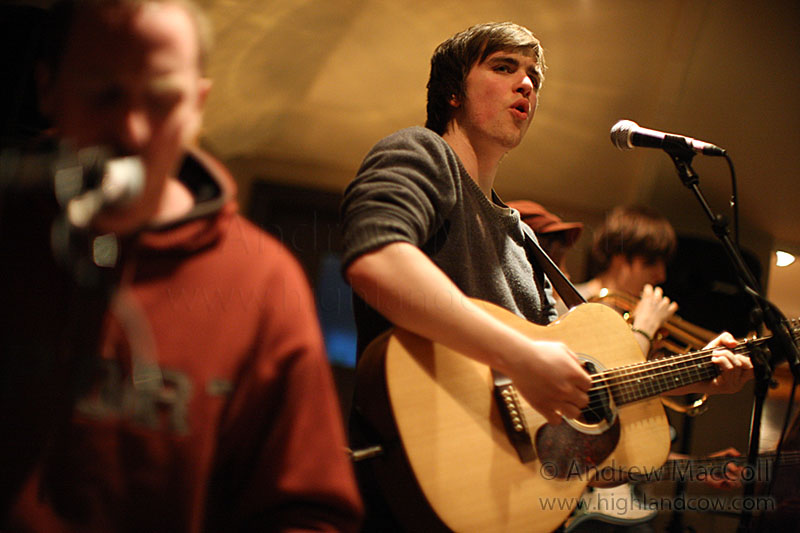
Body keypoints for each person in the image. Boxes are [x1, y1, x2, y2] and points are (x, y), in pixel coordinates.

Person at [340, 21, 751, 530]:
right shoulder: (423, 154)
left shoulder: (523, 241)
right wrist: (522, 356)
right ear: (451, 91)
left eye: (533, 74)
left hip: (498, 501)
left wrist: (699, 371)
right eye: (504, 67)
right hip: (407, 485)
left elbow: (575, 448)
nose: (527, 84)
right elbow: (375, 259)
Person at [1, 0, 362, 531]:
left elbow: (308, 514)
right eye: (103, 93)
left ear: (198, 105)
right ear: (47, 89)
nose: (132, 131)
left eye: (162, 100)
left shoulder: (261, 281)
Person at [576, 205, 682, 357]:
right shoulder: (572, 303)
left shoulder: (631, 312)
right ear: (620, 256)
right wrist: (645, 329)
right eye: (650, 262)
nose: (661, 276)